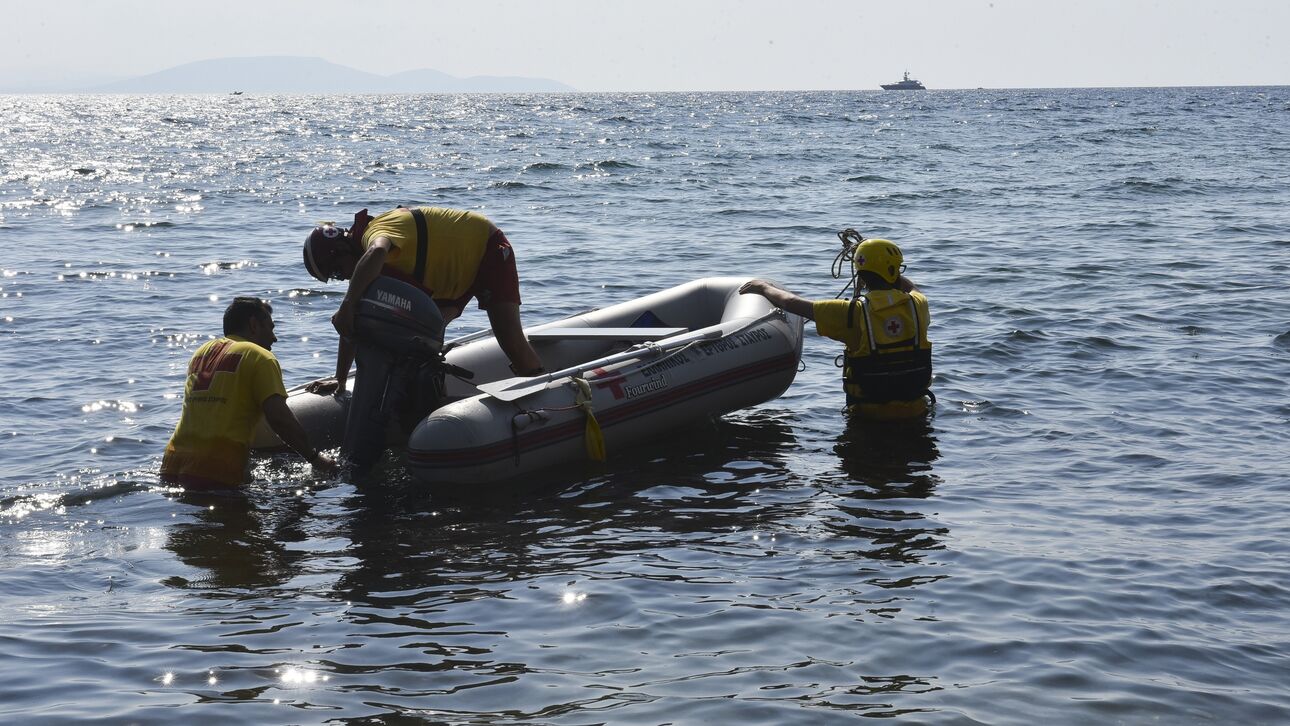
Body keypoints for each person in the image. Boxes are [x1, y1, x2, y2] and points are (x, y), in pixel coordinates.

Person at [302, 207, 544, 394]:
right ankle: (437, 408)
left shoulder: (373, 234)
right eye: (335, 278)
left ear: (344, 248)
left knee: (509, 338)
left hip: (486, 248)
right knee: (421, 353)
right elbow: (351, 325)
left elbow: (377, 251)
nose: (343, 278)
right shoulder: (370, 271)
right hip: (453, 277)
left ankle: (540, 386)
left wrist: (348, 303)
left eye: (336, 271)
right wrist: (340, 380)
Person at [740, 237, 933, 419]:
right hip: (915, 415)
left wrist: (762, 287)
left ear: (861, 277)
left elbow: (791, 302)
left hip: (869, 418)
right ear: (893, 272)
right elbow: (910, 287)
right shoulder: (918, 305)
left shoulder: (850, 311)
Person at [161, 297, 337, 489]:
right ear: (254, 325)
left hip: (172, 465)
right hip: (217, 471)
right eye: (271, 328)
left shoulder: (201, 353)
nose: (274, 337)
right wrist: (315, 458)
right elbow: (279, 420)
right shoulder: (261, 357)